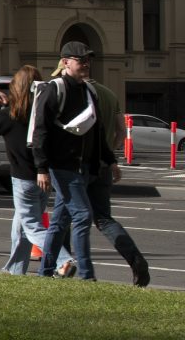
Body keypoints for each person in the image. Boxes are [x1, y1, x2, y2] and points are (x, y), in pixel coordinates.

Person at [32, 40, 106, 280]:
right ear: (65, 62)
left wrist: (109, 160)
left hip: (84, 165)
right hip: (62, 165)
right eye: (81, 60)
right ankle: (87, 276)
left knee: (59, 222)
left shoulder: (89, 90)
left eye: (88, 60)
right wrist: (41, 167)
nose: (86, 64)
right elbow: (40, 131)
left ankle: (44, 272)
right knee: (83, 216)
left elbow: (97, 129)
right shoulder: (53, 89)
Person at [81, 60, 152, 287]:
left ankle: (65, 265)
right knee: (103, 218)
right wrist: (111, 155)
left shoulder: (77, 94)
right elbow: (121, 131)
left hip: (82, 165)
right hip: (104, 163)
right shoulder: (110, 94)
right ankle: (136, 260)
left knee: (67, 216)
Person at [0, 63, 49, 274]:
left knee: (31, 226)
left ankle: (63, 258)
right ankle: (15, 269)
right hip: (44, 175)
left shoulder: (10, 114)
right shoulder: (43, 112)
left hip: (22, 178)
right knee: (21, 226)